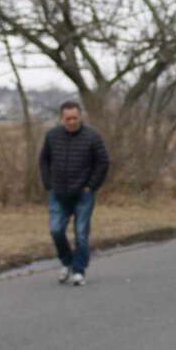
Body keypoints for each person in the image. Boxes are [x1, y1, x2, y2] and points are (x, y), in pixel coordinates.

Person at [38, 101, 110, 286]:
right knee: (56, 230)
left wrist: (91, 186)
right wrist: (48, 184)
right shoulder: (52, 136)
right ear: (62, 118)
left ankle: (79, 271)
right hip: (58, 192)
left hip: (82, 194)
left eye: (74, 118)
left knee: (81, 234)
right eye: (67, 118)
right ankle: (67, 262)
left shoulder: (92, 137)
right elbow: (44, 160)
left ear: (80, 117)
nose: (71, 122)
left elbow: (103, 162)